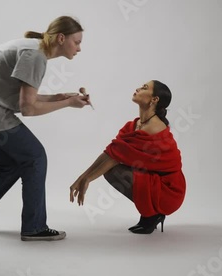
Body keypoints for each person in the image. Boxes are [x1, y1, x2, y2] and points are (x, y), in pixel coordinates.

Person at [0, 15, 91, 241]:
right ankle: (34, 228)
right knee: (35, 157)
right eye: (77, 42)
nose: (79, 48)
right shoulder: (36, 56)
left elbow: (25, 98)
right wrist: (67, 104)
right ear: (61, 38)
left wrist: (59, 96)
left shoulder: (34, 49)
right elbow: (29, 109)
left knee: (12, 164)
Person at [69, 80, 186, 234]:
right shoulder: (134, 125)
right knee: (111, 169)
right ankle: (150, 214)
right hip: (154, 179)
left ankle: (152, 215)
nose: (138, 88)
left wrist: (87, 179)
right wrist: (83, 177)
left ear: (154, 99)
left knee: (113, 171)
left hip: (168, 190)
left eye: (144, 88)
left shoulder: (154, 128)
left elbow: (115, 157)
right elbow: (111, 152)